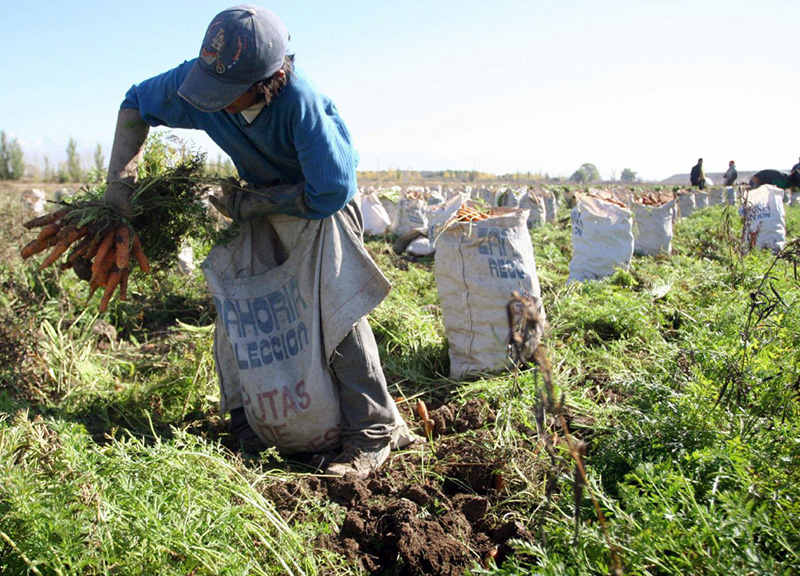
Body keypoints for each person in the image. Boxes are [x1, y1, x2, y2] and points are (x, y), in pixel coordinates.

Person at [103, 4, 413, 478]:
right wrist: (119, 194)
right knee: (238, 312)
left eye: (225, 93)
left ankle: (371, 433)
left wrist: (252, 205)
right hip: (258, 204)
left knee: (336, 315)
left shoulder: (299, 103)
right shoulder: (197, 83)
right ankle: (249, 426)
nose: (210, 102)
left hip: (316, 208)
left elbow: (330, 190)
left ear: (267, 82)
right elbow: (134, 102)